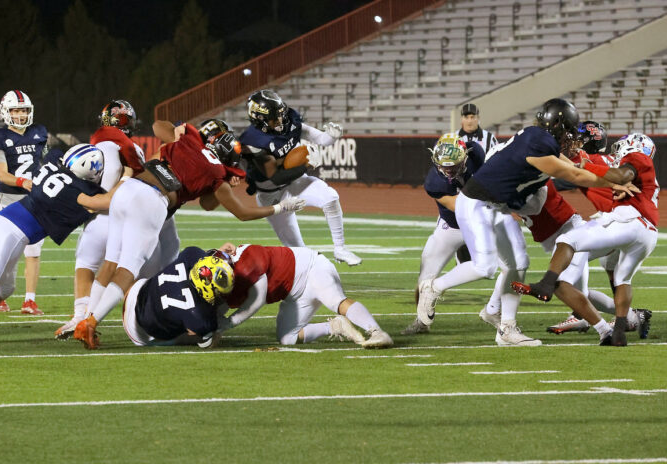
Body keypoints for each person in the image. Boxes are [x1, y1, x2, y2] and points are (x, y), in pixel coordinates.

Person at [416, 98, 636, 346]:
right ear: (557, 126)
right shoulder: (539, 145)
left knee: (518, 264)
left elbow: (571, 164)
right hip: (477, 202)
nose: (571, 137)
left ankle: (506, 330)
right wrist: (611, 182)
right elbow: (574, 174)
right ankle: (433, 287)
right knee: (485, 267)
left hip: (495, 205)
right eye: (568, 131)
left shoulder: (539, 139)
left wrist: (606, 177)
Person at [74, 119, 306, 349]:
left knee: (111, 261)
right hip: (150, 201)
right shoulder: (217, 173)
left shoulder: (192, 138)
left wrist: (177, 133)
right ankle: (91, 323)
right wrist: (280, 208)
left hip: (127, 191)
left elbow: (157, 126)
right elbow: (242, 213)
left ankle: (85, 317)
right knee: (127, 269)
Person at [513, 133, 658, 346]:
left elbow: (619, 174)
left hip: (627, 222)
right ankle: (619, 330)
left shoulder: (634, 157)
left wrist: (586, 166)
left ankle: (546, 285)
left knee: (568, 240)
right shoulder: (638, 169)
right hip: (647, 233)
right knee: (622, 279)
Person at [0, 144, 110, 343]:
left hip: (0, 223)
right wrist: (125, 177)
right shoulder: (74, 192)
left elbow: (53, 152)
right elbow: (102, 202)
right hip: (11, 233)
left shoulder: (54, 163)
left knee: (6, 288)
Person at [546, 121, 651, 336]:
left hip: (616, 226)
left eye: (579, 140)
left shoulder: (588, 160)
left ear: (590, 142)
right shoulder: (614, 160)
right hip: (630, 226)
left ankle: (580, 315)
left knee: (571, 255)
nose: (574, 144)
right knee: (613, 274)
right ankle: (631, 317)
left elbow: (564, 169)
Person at [55, 100, 148, 339]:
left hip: (102, 213)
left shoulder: (104, 142)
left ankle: (80, 316)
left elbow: (102, 185)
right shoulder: (133, 148)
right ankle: (91, 318)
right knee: (115, 268)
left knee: (85, 263)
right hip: (126, 216)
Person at [239, 89, 362, 266]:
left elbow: (318, 138)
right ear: (261, 120)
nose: (281, 120)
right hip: (271, 195)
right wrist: (305, 164)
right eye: (275, 117)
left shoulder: (289, 120)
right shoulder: (253, 141)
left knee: (331, 197)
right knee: (299, 252)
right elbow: (276, 177)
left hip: (295, 181)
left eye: (281, 114)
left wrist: (331, 137)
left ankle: (340, 249)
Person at [216, 242, 393, 348]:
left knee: (336, 302)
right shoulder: (229, 280)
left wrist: (228, 324)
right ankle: (334, 327)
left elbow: (257, 300)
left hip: (311, 268)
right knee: (287, 338)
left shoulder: (247, 259)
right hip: (294, 294)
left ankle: (377, 332)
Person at [401, 133, 489, 335]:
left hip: (480, 224)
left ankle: (499, 313)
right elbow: (462, 207)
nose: (448, 170)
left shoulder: (475, 152)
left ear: (465, 156)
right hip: (451, 226)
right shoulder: (434, 182)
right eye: (444, 165)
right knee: (425, 276)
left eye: (453, 165)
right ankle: (421, 321)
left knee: (506, 267)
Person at [0, 90, 48, 315]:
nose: (21, 115)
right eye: (15, 110)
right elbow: (2, 174)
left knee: (33, 252)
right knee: (5, 252)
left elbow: (43, 163)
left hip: (35, 202)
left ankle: (29, 301)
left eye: (23, 110)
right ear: (6, 112)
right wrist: (24, 181)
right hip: (9, 201)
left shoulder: (39, 132)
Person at [120, 247, 234, 349]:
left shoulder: (191, 254)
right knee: (208, 336)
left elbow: (206, 260)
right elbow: (206, 343)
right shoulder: (200, 316)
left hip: (136, 290)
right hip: (139, 331)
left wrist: (219, 255)